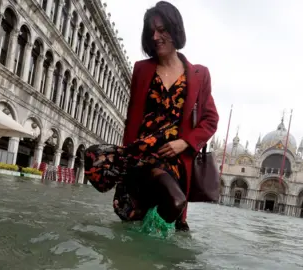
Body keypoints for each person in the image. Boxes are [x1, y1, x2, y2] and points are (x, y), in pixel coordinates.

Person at [84, 1, 218, 232]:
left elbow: (210, 119)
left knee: (175, 203)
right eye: (152, 31)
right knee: (135, 214)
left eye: (162, 30)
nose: (156, 37)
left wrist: (185, 142)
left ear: (175, 30)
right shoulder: (142, 69)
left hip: (174, 157)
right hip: (141, 153)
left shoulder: (199, 74)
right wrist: (127, 156)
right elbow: (133, 116)